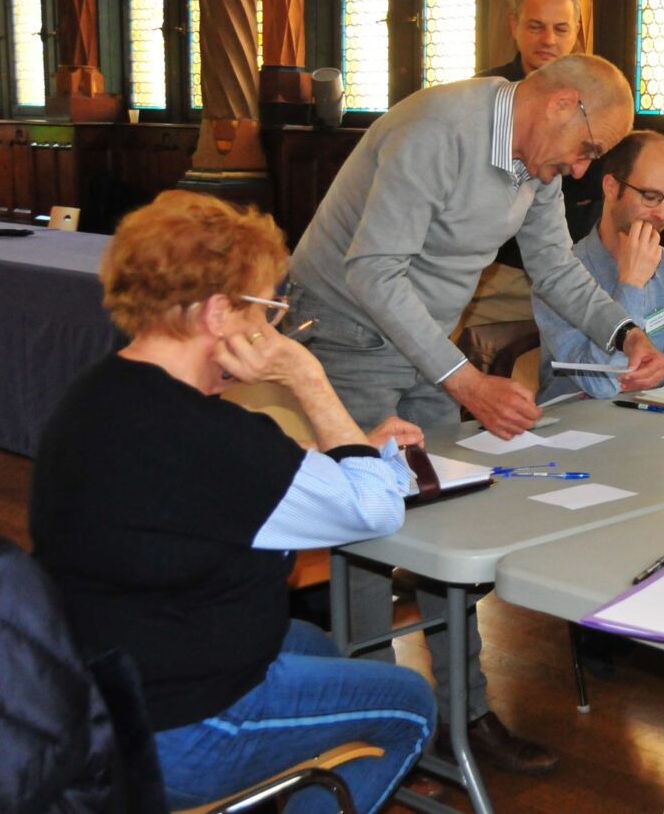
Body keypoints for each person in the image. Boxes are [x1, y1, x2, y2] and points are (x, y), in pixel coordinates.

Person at [288, 53, 664, 774]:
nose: (584, 169)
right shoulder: (439, 128)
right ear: (560, 104)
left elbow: (554, 267)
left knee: (443, 517)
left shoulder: (536, 165)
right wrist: (464, 381)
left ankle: (462, 715)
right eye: (587, 149)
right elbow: (371, 270)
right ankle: (365, 734)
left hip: (425, 340)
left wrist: (626, 331)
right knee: (373, 533)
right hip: (342, 334)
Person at [29, 191, 435, 812]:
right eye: (269, 307)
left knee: (316, 645)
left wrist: (348, 445)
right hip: (179, 731)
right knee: (409, 703)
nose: (274, 324)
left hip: (88, 694)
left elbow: (223, 481)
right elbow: (376, 510)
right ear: (220, 313)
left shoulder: (97, 394)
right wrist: (307, 378)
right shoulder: (213, 437)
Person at [534, 130, 664, 401]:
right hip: (575, 429)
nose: (661, 213)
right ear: (611, 187)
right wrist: (631, 284)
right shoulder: (560, 276)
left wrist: (663, 368)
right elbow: (599, 383)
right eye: (650, 196)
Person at [462, 0, 602, 328]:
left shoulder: (597, 100)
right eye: (537, 27)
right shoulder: (484, 94)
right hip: (491, 267)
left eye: (561, 28)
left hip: (570, 263)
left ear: (577, 31)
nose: (549, 40)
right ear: (515, 25)